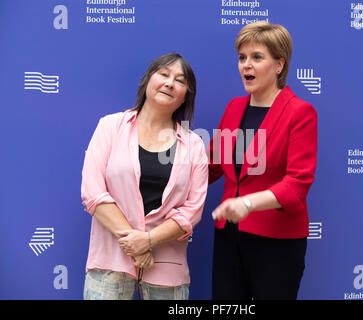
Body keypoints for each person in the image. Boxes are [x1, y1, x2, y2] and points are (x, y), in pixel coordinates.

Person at [81, 53, 208, 300]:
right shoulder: (110, 127)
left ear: (186, 95)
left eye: (179, 80)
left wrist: (148, 240)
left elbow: (192, 210)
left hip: (168, 270)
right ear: (148, 80)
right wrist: (136, 246)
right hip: (110, 263)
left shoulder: (194, 145)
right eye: (163, 74)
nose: (170, 83)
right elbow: (93, 192)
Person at [208, 22, 318, 300]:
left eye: (257, 57)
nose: (247, 65)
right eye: (242, 58)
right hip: (229, 238)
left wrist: (247, 204)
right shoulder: (234, 107)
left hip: (277, 241)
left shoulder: (300, 112)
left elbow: (297, 184)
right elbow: (211, 165)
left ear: (279, 65)